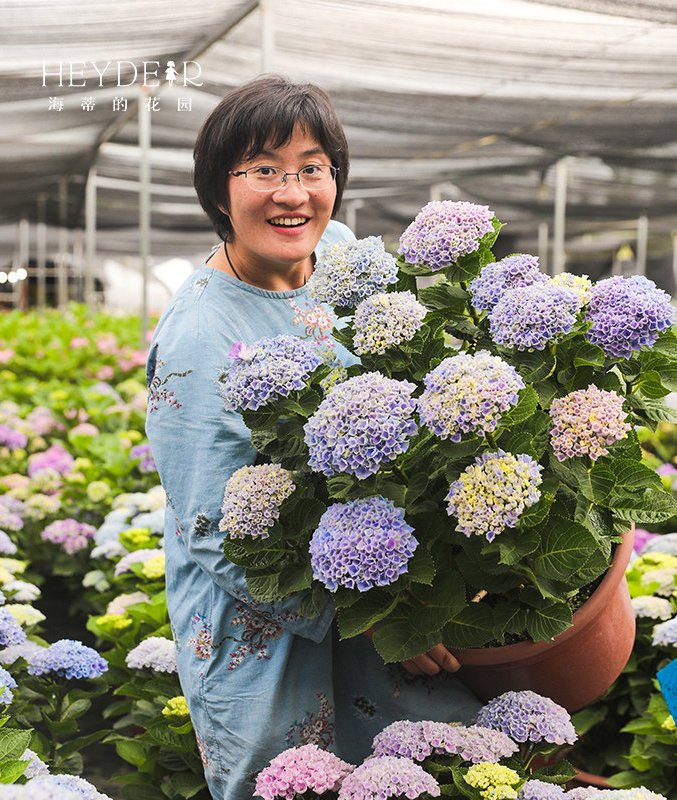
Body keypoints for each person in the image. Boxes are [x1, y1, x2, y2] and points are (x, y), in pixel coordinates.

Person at [145, 76, 482, 800]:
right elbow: (214, 529)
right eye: (263, 169)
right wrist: (385, 618)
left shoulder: (346, 259)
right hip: (271, 632)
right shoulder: (200, 337)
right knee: (300, 784)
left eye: (311, 168)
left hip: (395, 594)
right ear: (218, 189)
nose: (291, 193)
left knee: (427, 774)